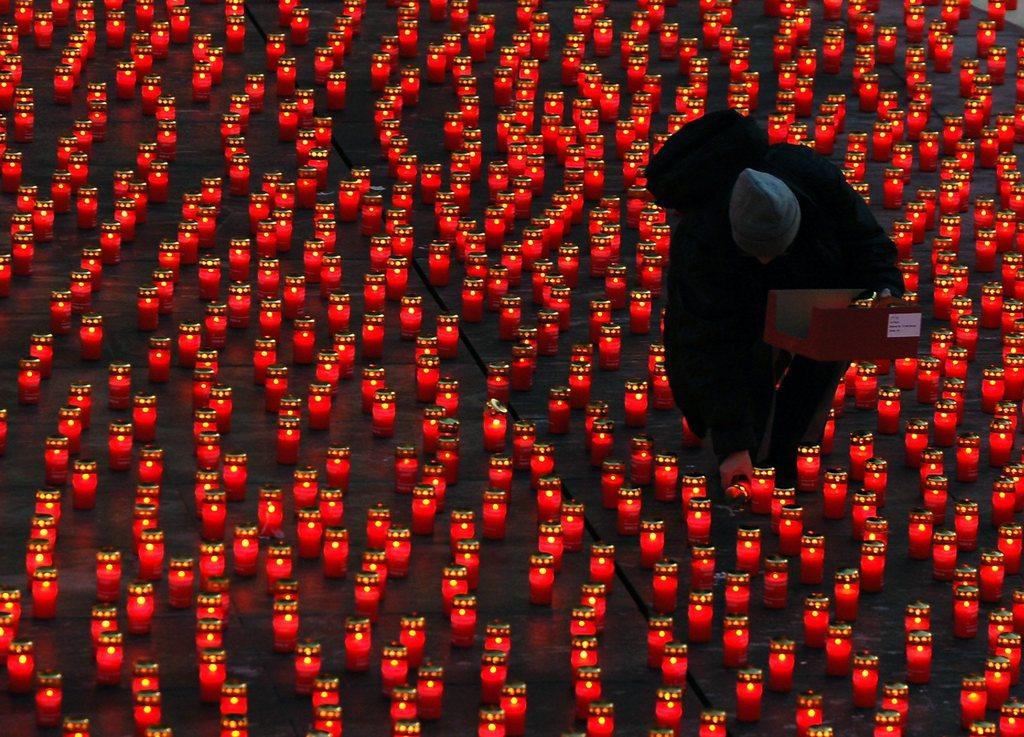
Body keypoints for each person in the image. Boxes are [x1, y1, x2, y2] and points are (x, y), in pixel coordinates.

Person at [644, 109, 904, 489]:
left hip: (812, 286)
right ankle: (754, 449)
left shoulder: (815, 182)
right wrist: (734, 445)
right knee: (749, 360)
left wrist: (884, 288)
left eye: (773, 250)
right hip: (743, 303)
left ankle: (791, 451)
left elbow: (867, 240)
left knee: (828, 347)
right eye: (755, 252)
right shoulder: (701, 246)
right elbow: (709, 345)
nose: (765, 260)